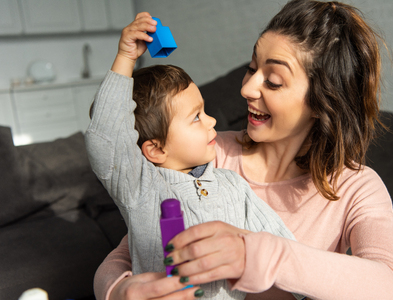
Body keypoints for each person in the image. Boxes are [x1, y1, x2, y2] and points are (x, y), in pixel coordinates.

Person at [93, 1, 393, 299]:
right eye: (251, 67)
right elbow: (132, 246)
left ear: (323, 101)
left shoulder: (355, 187)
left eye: (273, 80)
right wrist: (119, 290)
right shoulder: (209, 156)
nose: (246, 88)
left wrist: (257, 254)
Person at [85, 23, 301, 300]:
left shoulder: (233, 184)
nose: (212, 121)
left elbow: (279, 243)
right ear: (156, 149)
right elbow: (106, 138)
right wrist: (126, 58)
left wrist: (302, 290)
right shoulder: (140, 187)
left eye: (204, 111)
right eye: (196, 117)